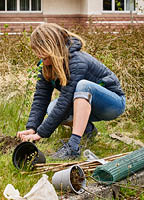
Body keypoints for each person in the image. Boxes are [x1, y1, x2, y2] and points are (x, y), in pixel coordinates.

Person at [17, 23, 125, 160]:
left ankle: (73, 146)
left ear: (53, 48)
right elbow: (41, 98)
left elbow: (66, 100)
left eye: (43, 53)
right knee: (52, 108)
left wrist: (41, 134)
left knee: (83, 86)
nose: (40, 58)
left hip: (112, 104)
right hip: (86, 104)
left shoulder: (77, 61)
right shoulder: (46, 66)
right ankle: (88, 132)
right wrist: (32, 127)